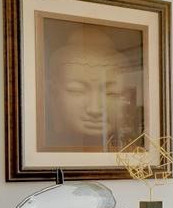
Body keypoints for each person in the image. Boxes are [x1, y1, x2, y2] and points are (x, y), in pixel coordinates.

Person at [41, 23, 140, 151]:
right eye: (77, 91)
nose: (95, 110)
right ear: (53, 94)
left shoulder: (135, 155)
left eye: (112, 93)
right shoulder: (45, 154)